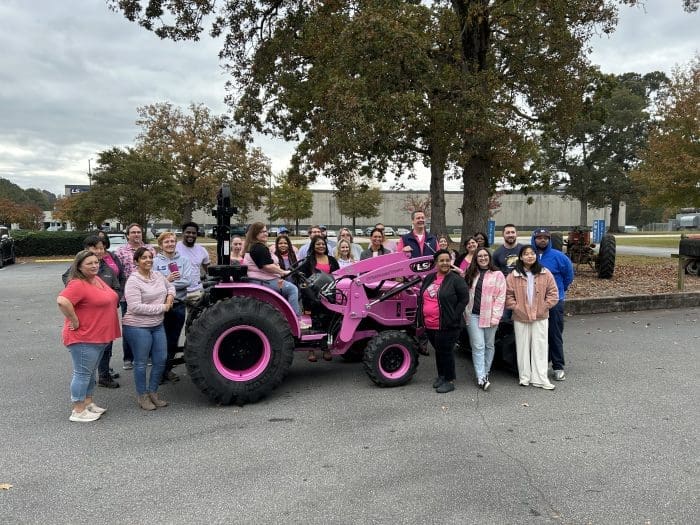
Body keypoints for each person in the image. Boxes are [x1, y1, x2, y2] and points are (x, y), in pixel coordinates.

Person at [57, 250, 121, 422]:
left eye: (96, 262)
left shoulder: (96, 279)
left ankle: (88, 403)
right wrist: (74, 320)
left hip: (99, 335)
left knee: (91, 372)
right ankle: (78, 410)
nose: (94, 265)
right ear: (79, 266)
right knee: (83, 373)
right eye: (89, 263)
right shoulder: (78, 283)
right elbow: (62, 301)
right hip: (84, 337)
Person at [62, 235, 123, 389]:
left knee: (102, 355)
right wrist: (75, 319)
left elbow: (117, 286)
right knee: (84, 370)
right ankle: (80, 406)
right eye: (95, 248)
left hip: (104, 322)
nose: (99, 251)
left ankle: (101, 380)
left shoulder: (103, 271)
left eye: (102, 248)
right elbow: (64, 298)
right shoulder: (79, 277)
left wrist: (112, 301)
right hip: (88, 326)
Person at [122, 247, 175, 410]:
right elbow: (135, 307)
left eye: (150, 257)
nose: (148, 260)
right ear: (136, 261)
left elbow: (170, 286)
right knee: (141, 363)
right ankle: (142, 396)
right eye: (143, 258)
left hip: (157, 325)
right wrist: (163, 307)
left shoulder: (158, 275)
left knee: (160, 360)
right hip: (137, 326)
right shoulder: (133, 281)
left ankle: (153, 392)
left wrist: (170, 297)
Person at [505, 245, 559, 390]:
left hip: (540, 316)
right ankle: (525, 377)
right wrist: (516, 307)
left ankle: (540, 378)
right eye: (526, 254)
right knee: (522, 347)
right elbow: (508, 295)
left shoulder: (545, 273)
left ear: (536, 256)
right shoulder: (514, 275)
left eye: (532, 253)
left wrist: (544, 306)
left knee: (540, 347)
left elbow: (553, 293)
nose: (530, 256)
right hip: (520, 316)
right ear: (521, 257)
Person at [416, 249, 469, 393]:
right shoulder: (430, 278)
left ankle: (449, 380)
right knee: (439, 351)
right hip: (430, 323)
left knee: (446, 352)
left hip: (448, 324)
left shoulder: (456, 279)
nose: (445, 263)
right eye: (442, 260)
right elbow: (422, 296)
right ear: (436, 263)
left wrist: (454, 316)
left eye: (447, 260)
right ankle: (441, 375)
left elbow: (464, 299)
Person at [242, 222, 307, 327]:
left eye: (266, 231)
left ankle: (286, 317)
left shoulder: (255, 246)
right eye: (262, 232)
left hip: (262, 279)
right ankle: (296, 320)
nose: (266, 233)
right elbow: (267, 266)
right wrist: (283, 272)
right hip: (263, 281)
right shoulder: (258, 247)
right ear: (255, 233)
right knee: (292, 289)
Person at [532, 228, 575, 381]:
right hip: (534, 303)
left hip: (554, 302)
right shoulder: (529, 256)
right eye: (539, 237)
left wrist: (559, 290)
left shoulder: (559, 257)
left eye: (545, 238)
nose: (542, 240)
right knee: (537, 335)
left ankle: (558, 366)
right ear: (534, 239)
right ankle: (538, 365)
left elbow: (568, 276)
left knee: (554, 334)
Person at [115, 223, 155, 370]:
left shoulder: (150, 250)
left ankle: (148, 355)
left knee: (149, 325)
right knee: (130, 327)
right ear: (128, 235)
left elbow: (154, 270)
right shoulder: (121, 252)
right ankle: (128, 358)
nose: (136, 235)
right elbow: (117, 274)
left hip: (149, 294)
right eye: (133, 232)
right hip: (128, 297)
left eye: (138, 232)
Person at [465, 248, 507, 390]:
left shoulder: (498, 275)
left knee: (489, 345)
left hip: (490, 316)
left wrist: (496, 316)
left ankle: (486, 372)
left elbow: (501, 297)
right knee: (478, 346)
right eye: (479, 256)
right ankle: (481, 377)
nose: (483, 258)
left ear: (489, 257)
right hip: (473, 315)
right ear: (476, 258)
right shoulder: (471, 273)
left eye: (485, 255)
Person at [154, 231, 193, 384]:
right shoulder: (156, 262)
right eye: (166, 242)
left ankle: (167, 370)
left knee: (173, 340)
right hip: (162, 306)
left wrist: (166, 282)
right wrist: (167, 279)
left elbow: (187, 281)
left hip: (178, 305)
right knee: (159, 340)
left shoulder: (184, 260)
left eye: (172, 241)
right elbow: (154, 283)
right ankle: (158, 372)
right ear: (161, 245)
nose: (170, 244)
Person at [298, 235, 339, 362]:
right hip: (312, 298)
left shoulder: (332, 260)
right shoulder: (308, 260)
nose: (321, 246)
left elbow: (338, 275)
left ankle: (325, 348)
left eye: (323, 244)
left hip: (328, 296)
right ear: (313, 246)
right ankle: (311, 351)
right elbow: (301, 277)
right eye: (318, 244)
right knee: (313, 323)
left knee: (328, 322)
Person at [176, 222, 210, 301]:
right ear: (183, 233)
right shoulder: (174, 248)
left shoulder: (202, 250)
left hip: (196, 292)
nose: (191, 235)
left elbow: (208, 270)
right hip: (178, 292)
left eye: (193, 233)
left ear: (197, 234)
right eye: (188, 232)